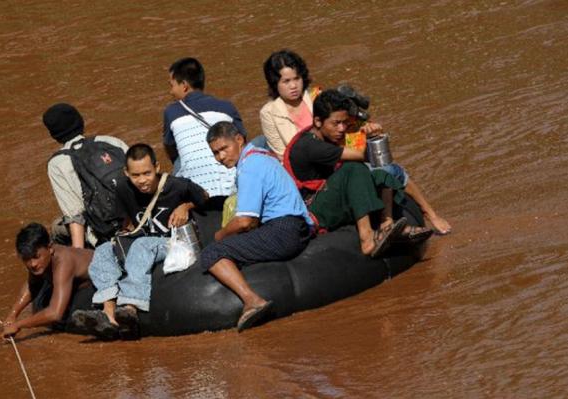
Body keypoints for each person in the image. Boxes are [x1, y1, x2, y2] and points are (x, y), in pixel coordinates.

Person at [259, 49, 452, 235]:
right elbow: (283, 152)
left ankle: (428, 214)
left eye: (296, 79)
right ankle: (382, 225)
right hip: (311, 169)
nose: (293, 86)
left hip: (338, 153)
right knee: (383, 169)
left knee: (390, 168)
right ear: (275, 84)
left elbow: (345, 124)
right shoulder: (270, 113)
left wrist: (368, 130)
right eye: (286, 81)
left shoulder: (316, 97)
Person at [74, 143, 208, 339]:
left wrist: (186, 206)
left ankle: (130, 307)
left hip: (171, 243)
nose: (142, 180)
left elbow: (206, 197)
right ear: (126, 173)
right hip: (142, 241)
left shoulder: (178, 185)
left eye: (147, 173)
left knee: (141, 245)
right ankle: (108, 314)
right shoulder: (122, 188)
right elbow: (127, 222)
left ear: (157, 168)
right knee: (103, 250)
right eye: (136, 175)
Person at [201, 122, 313, 332]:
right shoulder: (263, 155)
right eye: (215, 153)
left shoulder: (249, 166)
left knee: (212, 252)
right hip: (298, 229)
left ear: (239, 140)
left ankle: (252, 300)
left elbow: (246, 221)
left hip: (282, 230)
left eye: (223, 149)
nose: (220, 158)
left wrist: (219, 235)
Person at [284, 89, 417, 257]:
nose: (341, 129)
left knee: (381, 175)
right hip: (314, 208)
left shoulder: (325, 136)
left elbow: (379, 163)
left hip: (329, 193)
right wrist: (374, 139)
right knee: (354, 168)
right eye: (336, 123)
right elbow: (366, 157)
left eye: (344, 123)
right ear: (318, 121)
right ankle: (366, 238)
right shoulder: (311, 146)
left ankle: (387, 224)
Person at [43, 103, 129, 248]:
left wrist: (79, 258)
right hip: (135, 216)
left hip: (102, 233)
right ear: (81, 121)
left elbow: (75, 217)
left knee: (56, 227)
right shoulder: (109, 141)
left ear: (54, 135)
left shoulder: (56, 164)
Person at [163, 57, 246, 199]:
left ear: (184, 85)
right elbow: (243, 143)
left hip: (197, 195)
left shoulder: (171, 112)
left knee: (178, 162)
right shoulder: (227, 107)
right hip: (232, 189)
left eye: (172, 85)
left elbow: (171, 150)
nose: (171, 92)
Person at [1, 223, 93, 338]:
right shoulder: (38, 263)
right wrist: (13, 314)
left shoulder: (64, 261)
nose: (32, 264)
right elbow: (32, 286)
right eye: (26, 259)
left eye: (36, 257)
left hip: (94, 285)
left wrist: (18, 325)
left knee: (67, 318)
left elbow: (55, 313)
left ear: (50, 248)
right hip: (71, 286)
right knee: (39, 306)